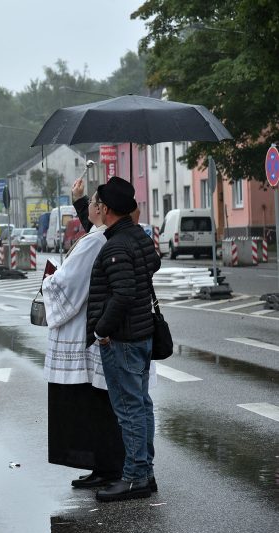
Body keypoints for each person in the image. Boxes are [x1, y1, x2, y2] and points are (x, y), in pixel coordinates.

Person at [42, 180, 125, 490]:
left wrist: (48, 282)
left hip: (84, 331)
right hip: (92, 328)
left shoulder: (95, 241)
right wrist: (78, 198)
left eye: (91, 201)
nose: (87, 205)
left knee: (97, 406)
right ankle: (101, 466)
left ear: (102, 209)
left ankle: (107, 468)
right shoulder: (100, 235)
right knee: (96, 406)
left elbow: (69, 282)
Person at [85, 176, 161, 502]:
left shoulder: (115, 245)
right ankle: (145, 472)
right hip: (142, 334)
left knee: (129, 409)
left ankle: (133, 477)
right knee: (142, 405)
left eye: (100, 204)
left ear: (108, 209)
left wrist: (101, 329)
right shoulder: (139, 238)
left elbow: (123, 294)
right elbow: (152, 264)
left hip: (124, 338)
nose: (97, 209)